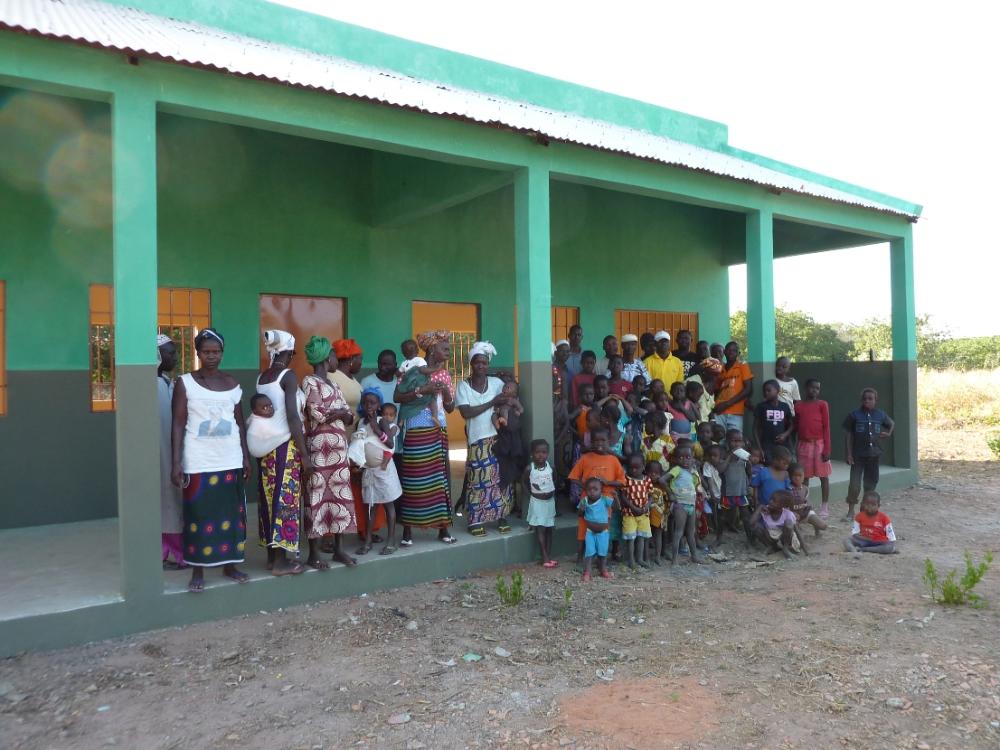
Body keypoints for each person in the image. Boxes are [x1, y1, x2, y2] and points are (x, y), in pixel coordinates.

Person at [170, 328, 250, 593]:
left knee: (231, 516)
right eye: (206, 352)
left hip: (230, 459)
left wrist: (245, 457)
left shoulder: (232, 384)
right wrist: (176, 462)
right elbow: (178, 424)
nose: (211, 356)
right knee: (199, 516)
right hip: (199, 461)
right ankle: (198, 569)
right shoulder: (185, 383)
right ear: (198, 353)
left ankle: (230, 565)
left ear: (222, 353)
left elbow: (239, 423)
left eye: (216, 352)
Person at [252, 330, 310, 577]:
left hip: (267, 450)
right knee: (286, 501)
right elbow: (293, 417)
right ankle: (280, 563)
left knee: (269, 499)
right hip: (286, 447)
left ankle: (271, 557)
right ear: (288, 352)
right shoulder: (288, 376)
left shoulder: (262, 377)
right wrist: (305, 455)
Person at [394, 330, 458, 546]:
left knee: (440, 481)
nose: (448, 352)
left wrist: (445, 392)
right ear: (431, 350)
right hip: (415, 429)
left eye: (449, 349)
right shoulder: (412, 369)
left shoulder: (444, 375)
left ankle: (443, 529)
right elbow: (398, 396)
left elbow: (450, 408)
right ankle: (408, 531)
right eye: (444, 349)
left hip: (438, 431)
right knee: (413, 479)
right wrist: (423, 390)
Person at [301, 336, 358, 569]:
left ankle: (339, 550)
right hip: (319, 450)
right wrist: (340, 413)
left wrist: (341, 414)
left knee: (340, 496)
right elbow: (318, 413)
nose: (337, 360)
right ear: (326, 358)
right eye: (334, 356)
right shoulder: (309, 382)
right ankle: (314, 554)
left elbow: (350, 415)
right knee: (317, 498)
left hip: (339, 451)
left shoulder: (334, 385)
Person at [455, 340, 513, 537]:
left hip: (498, 438)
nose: (481, 365)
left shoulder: (497, 384)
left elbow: (508, 399)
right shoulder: (463, 386)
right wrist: (492, 402)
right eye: (477, 362)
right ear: (471, 363)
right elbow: (466, 412)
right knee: (478, 481)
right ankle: (476, 520)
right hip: (477, 441)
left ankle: (501, 516)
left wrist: (502, 409)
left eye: (484, 362)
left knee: (500, 479)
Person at [330, 338, 385, 546]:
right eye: (360, 359)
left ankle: (364, 528)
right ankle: (329, 535)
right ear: (350, 359)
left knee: (359, 487)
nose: (361, 362)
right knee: (337, 488)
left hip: (356, 440)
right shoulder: (332, 377)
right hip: (338, 440)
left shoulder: (351, 379)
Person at [352, 388, 402, 555]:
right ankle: (368, 542)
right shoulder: (360, 423)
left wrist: (377, 429)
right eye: (365, 402)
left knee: (388, 505)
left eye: (372, 402)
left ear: (379, 405)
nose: (369, 405)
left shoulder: (382, 421)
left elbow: (390, 444)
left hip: (384, 471)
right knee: (370, 508)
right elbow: (357, 445)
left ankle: (391, 541)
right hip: (369, 472)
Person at [568, 428, 625, 566]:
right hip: (587, 501)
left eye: (603, 440)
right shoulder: (585, 458)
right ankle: (580, 559)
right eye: (596, 440)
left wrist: (607, 483)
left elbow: (622, 482)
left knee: (603, 531)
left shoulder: (613, 460)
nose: (599, 443)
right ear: (591, 442)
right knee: (583, 530)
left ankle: (601, 562)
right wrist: (585, 487)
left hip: (605, 503)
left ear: (609, 441)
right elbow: (573, 477)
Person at [843, 388, 895, 520]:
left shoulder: (880, 414)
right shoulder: (854, 415)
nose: (867, 401)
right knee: (854, 485)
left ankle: (864, 511)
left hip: (874, 455)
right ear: (861, 400)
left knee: (870, 484)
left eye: (870, 399)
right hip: (858, 456)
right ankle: (850, 511)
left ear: (876, 400)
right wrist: (849, 454)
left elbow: (891, 423)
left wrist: (888, 433)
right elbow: (849, 435)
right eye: (865, 398)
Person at [157, 334, 185, 570]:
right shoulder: (150, 385)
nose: (175, 357)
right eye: (170, 353)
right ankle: (170, 551)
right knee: (165, 500)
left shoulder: (168, 382)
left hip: (174, 451)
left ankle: (174, 550)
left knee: (174, 499)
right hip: (159, 453)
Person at [795, 379, 833, 517]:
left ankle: (824, 506)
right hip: (803, 445)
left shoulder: (822, 404)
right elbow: (796, 425)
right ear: (806, 388)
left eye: (817, 388)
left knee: (824, 476)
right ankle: (805, 504)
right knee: (804, 477)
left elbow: (826, 427)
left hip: (819, 444)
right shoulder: (798, 406)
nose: (815, 390)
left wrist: (827, 449)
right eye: (812, 387)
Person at [523, 439, 558, 568]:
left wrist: (552, 493)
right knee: (541, 529)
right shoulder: (529, 468)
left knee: (549, 529)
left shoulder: (551, 468)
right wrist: (530, 495)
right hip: (537, 503)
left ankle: (548, 555)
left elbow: (555, 481)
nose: (541, 455)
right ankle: (544, 557)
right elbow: (524, 482)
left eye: (544, 452)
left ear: (547, 453)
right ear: (532, 454)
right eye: (537, 452)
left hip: (549, 502)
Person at [666, 445, 704, 564]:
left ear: (693, 458)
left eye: (688, 457)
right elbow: (662, 480)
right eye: (681, 457)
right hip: (680, 505)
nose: (685, 460)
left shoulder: (693, 471)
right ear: (676, 459)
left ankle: (694, 556)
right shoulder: (677, 470)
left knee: (691, 533)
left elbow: (694, 486)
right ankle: (674, 560)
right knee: (679, 532)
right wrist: (670, 494)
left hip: (691, 504)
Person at [718, 429, 753, 546]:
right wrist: (730, 457)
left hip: (741, 493)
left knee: (745, 517)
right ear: (727, 442)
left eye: (740, 441)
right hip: (727, 493)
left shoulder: (744, 457)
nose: (737, 444)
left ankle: (750, 539)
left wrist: (748, 484)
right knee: (722, 517)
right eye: (734, 441)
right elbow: (721, 470)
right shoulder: (724, 455)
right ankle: (719, 538)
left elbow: (749, 472)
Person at [579, 477, 616, 581]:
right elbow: (580, 515)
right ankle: (587, 571)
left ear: (601, 490)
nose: (592, 492)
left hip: (603, 533)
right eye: (589, 489)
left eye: (595, 489)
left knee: (603, 553)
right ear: (586, 490)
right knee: (589, 553)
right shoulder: (585, 501)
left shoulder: (604, 499)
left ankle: (603, 570)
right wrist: (581, 509)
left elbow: (616, 508)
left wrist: (616, 498)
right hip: (590, 532)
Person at [712, 342, 753, 434]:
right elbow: (716, 390)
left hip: (735, 412)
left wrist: (726, 404)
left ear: (738, 353)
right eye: (729, 350)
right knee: (719, 439)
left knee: (735, 439)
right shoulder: (721, 368)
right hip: (719, 411)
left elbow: (748, 389)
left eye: (734, 350)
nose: (731, 352)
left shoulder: (742, 365)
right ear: (724, 352)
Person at [621, 453, 653, 570]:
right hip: (629, 514)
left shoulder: (647, 480)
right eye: (631, 467)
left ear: (643, 466)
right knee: (631, 538)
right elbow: (623, 496)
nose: (633, 470)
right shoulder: (626, 479)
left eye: (637, 467)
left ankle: (640, 558)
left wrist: (646, 506)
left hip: (644, 514)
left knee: (641, 537)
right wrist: (633, 507)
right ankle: (631, 560)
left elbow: (651, 495)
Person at [750, 490, 803, 560]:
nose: (770, 502)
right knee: (755, 526)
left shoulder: (788, 514)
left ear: (782, 505)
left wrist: (805, 549)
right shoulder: (765, 510)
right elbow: (751, 523)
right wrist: (759, 508)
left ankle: (786, 549)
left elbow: (796, 530)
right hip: (772, 537)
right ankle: (770, 547)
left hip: (785, 539)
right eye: (771, 499)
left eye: (774, 501)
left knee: (788, 523)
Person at [753, 379, 794, 463]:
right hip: (767, 445)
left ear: (777, 390)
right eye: (764, 391)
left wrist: (785, 435)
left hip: (783, 445)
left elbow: (792, 424)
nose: (766, 393)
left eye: (769, 390)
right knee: (769, 464)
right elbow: (755, 429)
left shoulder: (784, 406)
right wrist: (759, 448)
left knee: (784, 464)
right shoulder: (761, 406)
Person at [844, 490, 897, 555]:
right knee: (847, 540)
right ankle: (854, 550)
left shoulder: (884, 518)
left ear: (878, 505)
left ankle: (864, 549)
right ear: (863, 504)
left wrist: (890, 545)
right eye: (867, 504)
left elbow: (891, 537)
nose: (870, 507)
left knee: (889, 547)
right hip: (863, 540)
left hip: (878, 542)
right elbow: (855, 533)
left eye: (873, 505)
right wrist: (861, 537)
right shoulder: (859, 516)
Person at [788, 462, 827, 540]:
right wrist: (793, 513)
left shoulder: (805, 489)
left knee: (823, 526)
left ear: (804, 476)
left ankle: (817, 530)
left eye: (800, 475)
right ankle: (797, 529)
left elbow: (808, 503)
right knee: (800, 537)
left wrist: (807, 509)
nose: (797, 478)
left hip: (805, 512)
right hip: (793, 515)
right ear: (790, 476)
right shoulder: (788, 489)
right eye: (795, 475)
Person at [645, 460, 668, 564]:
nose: (653, 475)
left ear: (661, 474)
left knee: (658, 535)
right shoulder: (644, 484)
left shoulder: (662, 486)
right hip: (646, 514)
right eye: (651, 472)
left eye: (657, 473)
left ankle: (657, 556)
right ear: (646, 472)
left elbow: (668, 499)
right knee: (646, 536)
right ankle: (646, 557)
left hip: (659, 515)